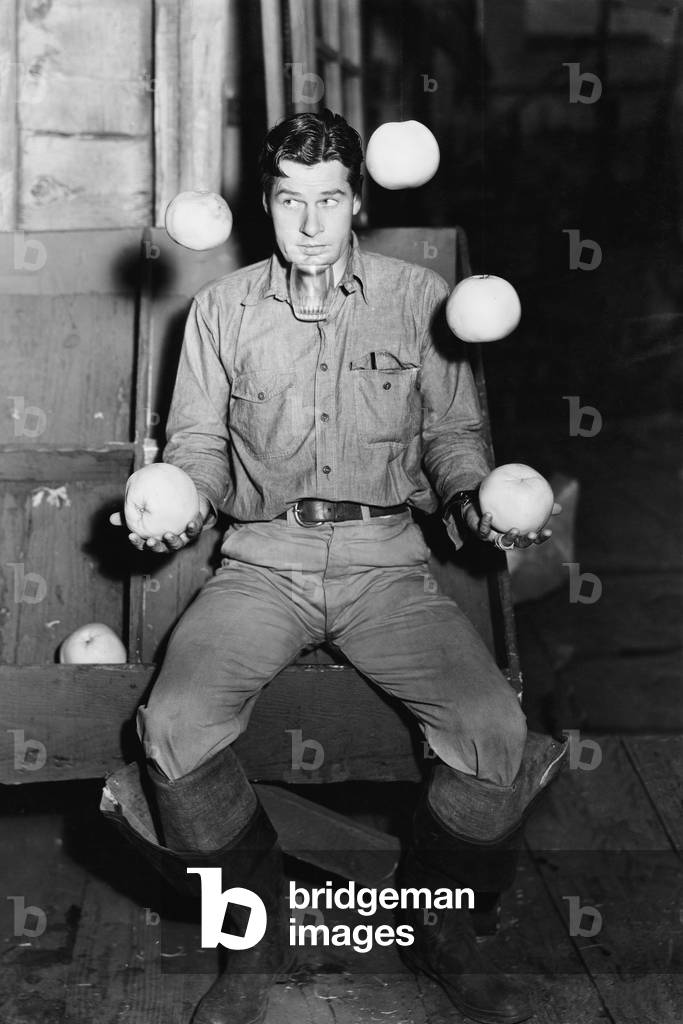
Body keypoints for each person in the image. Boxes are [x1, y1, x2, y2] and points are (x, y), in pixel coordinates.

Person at [103, 109, 567, 1024]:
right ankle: (256, 942)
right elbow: (195, 447)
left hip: (386, 562)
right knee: (174, 724)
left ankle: (432, 925)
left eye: (328, 201)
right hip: (262, 562)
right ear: (266, 206)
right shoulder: (221, 311)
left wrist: (477, 505)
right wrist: (175, 504)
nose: (309, 225)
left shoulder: (420, 298)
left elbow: (454, 443)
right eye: (288, 203)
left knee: (493, 733)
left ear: (357, 202)